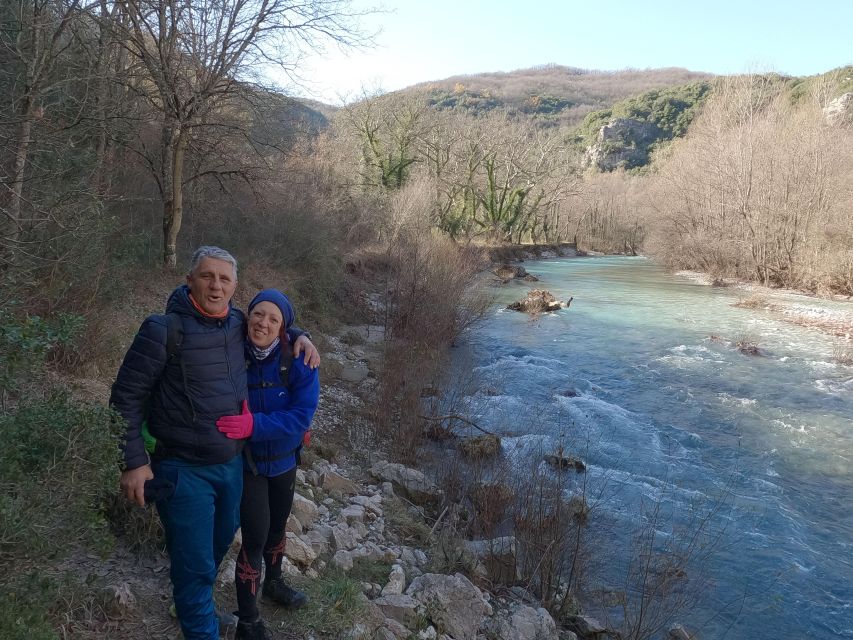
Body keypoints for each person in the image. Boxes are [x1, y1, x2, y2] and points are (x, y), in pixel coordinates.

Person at [109, 246, 319, 640]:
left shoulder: (237, 324)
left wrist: (301, 336)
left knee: (215, 548)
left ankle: (197, 607)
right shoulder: (162, 330)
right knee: (194, 565)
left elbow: (272, 325)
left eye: (224, 279)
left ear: (235, 287)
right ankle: (198, 619)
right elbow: (125, 398)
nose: (216, 285)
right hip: (182, 469)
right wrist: (134, 462)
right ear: (190, 280)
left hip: (231, 467)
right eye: (207, 276)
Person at [216, 289, 319, 640]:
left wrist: (254, 426)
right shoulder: (231, 351)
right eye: (258, 314)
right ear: (248, 317)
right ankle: (248, 619)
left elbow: (301, 417)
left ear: (283, 329)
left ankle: (274, 583)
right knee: (255, 538)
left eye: (274, 319)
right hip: (249, 465)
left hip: (286, 462)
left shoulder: (299, 361)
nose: (263, 323)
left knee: (278, 528)